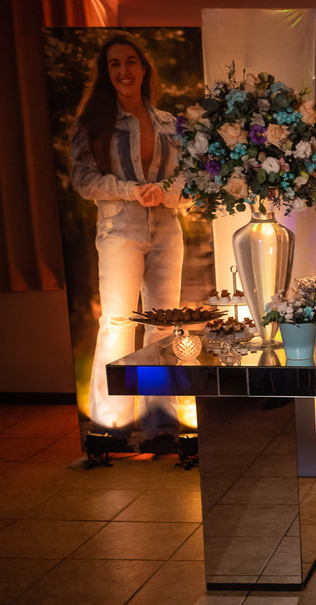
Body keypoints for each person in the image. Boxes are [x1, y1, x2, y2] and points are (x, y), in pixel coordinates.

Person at [70, 31, 184, 451]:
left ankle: (161, 426)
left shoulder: (169, 123)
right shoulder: (93, 123)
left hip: (167, 227)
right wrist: (129, 190)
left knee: (162, 326)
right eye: (115, 64)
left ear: (143, 68)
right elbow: (82, 179)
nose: (123, 70)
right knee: (117, 323)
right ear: (106, 72)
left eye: (130, 62)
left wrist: (166, 192)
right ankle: (111, 426)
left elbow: (190, 180)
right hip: (120, 227)